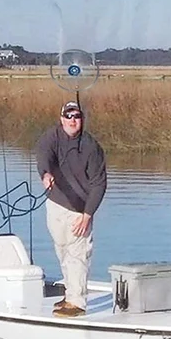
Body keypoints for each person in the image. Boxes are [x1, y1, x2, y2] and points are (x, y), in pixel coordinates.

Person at [36, 101, 107, 317]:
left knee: (78, 254)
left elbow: (99, 184)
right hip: (56, 203)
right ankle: (70, 295)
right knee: (62, 250)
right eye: (68, 116)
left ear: (82, 119)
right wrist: (46, 174)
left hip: (80, 210)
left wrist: (87, 215)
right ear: (61, 119)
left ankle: (77, 302)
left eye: (77, 116)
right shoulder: (51, 137)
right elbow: (44, 155)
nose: (73, 120)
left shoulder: (91, 147)